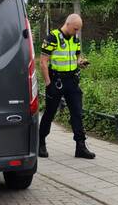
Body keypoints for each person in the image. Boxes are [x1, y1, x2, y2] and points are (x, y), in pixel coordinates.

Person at [38, 14, 95, 159]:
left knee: (77, 113)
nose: (77, 32)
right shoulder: (52, 37)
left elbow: (75, 59)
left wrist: (80, 63)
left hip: (72, 81)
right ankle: (40, 143)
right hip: (56, 81)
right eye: (75, 29)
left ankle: (80, 147)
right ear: (67, 24)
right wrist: (48, 83)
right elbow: (43, 62)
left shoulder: (75, 39)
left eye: (78, 30)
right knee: (49, 113)